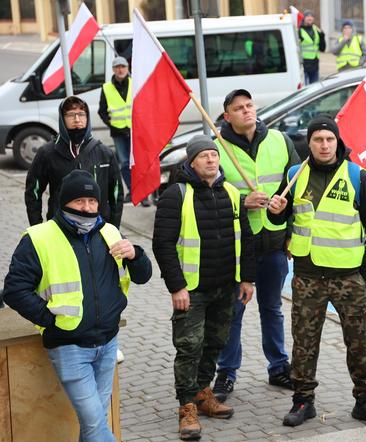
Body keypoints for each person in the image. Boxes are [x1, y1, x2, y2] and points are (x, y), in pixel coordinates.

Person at [3, 170, 152, 442]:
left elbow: (143, 276)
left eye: (92, 202)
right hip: (69, 347)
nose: (87, 208)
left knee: (92, 424)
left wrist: (136, 254)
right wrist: (49, 319)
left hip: (107, 344)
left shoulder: (109, 231)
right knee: (96, 424)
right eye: (80, 201)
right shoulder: (39, 238)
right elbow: (14, 290)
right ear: (64, 202)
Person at [267, 115, 366, 428]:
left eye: (329, 139)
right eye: (318, 140)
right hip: (308, 277)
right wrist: (276, 213)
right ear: (308, 144)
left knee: (360, 342)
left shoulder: (357, 176)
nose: (324, 145)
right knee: (304, 342)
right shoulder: (295, 175)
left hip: (349, 277)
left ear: (337, 142)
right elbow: (280, 221)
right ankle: (302, 400)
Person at [152, 135, 256, 440]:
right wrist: (177, 287)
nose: (211, 160)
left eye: (214, 155)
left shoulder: (233, 193)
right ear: (192, 162)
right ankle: (186, 409)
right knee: (189, 348)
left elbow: (246, 238)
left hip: (226, 287)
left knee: (214, 343)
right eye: (204, 156)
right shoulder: (176, 195)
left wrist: (247, 278)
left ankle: (202, 392)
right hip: (191, 291)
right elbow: (163, 244)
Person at [213, 89, 300, 402]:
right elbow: (209, 197)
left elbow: (298, 188)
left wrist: (288, 223)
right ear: (228, 116)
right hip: (236, 247)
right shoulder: (217, 149)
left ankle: (279, 366)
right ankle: (226, 371)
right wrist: (241, 200)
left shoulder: (279, 140)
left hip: (274, 242)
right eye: (238, 108)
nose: (246, 111)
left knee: (272, 308)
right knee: (233, 310)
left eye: (250, 105)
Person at [25, 96, 124, 228]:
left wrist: (113, 228)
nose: (77, 119)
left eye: (81, 114)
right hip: (60, 227)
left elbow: (116, 195)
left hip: (98, 226)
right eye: (71, 115)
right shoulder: (47, 153)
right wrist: (37, 227)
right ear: (62, 118)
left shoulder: (105, 153)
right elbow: (33, 192)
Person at [98, 56, 147, 207]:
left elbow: (144, 105)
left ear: (127, 69)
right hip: (118, 131)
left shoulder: (135, 84)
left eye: (123, 67)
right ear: (113, 69)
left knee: (138, 162)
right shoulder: (106, 88)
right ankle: (132, 191)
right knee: (125, 163)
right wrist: (111, 124)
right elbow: (102, 111)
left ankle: (143, 194)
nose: (120, 69)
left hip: (135, 131)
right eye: (117, 67)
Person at [299, 10, 326, 85]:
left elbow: (322, 49)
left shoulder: (316, 29)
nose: (310, 18)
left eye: (311, 16)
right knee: (305, 89)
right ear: (304, 18)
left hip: (315, 65)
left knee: (314, 88)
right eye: (307, 16)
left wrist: (322, 37)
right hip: (304, 65)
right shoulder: (299, 30)